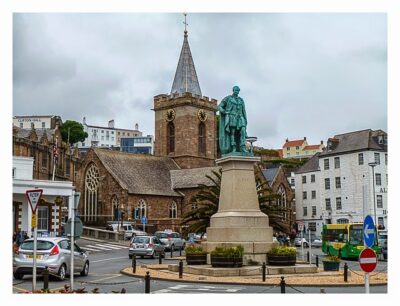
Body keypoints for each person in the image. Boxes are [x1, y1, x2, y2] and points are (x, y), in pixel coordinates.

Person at [218, 86, 248, 154]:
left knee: (243, 130)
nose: (236, 91)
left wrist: (245, 120)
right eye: (235, 90)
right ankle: (233, 147)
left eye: (238, 90)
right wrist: (225, 112)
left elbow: (244, 110)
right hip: (232, 116)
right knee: (233, 132)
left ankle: (242, 147)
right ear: (233, 90)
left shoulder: (241, 100)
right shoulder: (228, 98)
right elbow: (219, 107)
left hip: (240, 117)